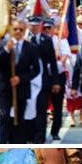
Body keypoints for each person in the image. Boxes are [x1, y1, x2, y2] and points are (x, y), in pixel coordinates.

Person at [0, 19, 40, 144]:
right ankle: (3, 142)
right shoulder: (4, 44)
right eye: (15, 29)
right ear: (11, 30)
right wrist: (7, 50)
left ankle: (18, 143)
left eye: (21, 29)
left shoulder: (31, 47)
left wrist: (21, 78)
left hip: (21, 88)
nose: (18, 32)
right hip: (5, 87)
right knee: (4, 117)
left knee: (19, 119)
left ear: (25, 31)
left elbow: (36, 69)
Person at [27, 16, 60, 144]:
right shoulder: (25, 40)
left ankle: (40, 138)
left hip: (43, 80)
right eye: (32, 25)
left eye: (36, 25)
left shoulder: (46, 40)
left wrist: (56, 81)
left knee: (41, 110)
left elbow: (52, 62)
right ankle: (29, 135)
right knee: (29, 111)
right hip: (28, 81)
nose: (34, 27)